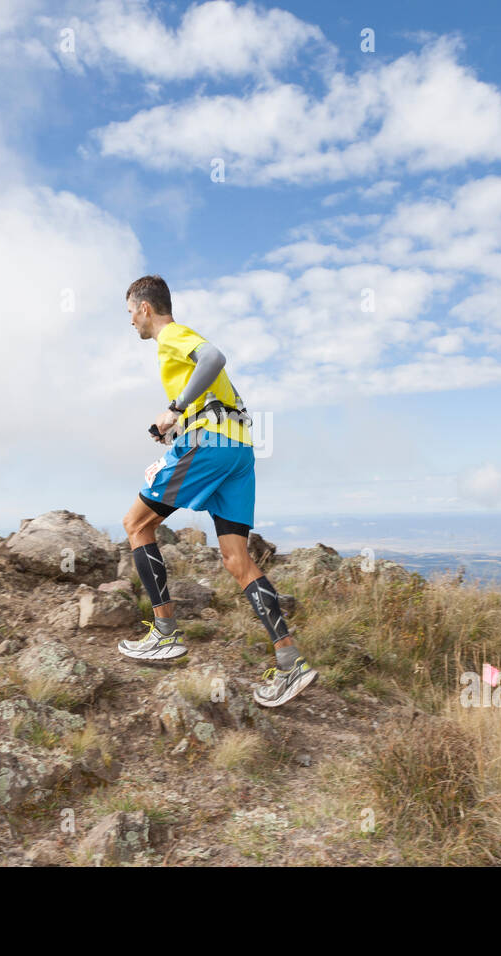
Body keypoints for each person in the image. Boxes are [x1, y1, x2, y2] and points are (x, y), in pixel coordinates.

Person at [118, 275, 317, 708]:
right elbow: (212, 391)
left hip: (211, 443)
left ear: (145, 308)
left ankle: (165, 635)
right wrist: (176, 429)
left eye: (130, 312)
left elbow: (214, 356)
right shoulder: (173, 346)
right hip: (238, 449)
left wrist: (174, 410)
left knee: (135, 523)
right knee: (236, 559)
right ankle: (290, 661)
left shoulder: (171, 335)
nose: (130, 322)